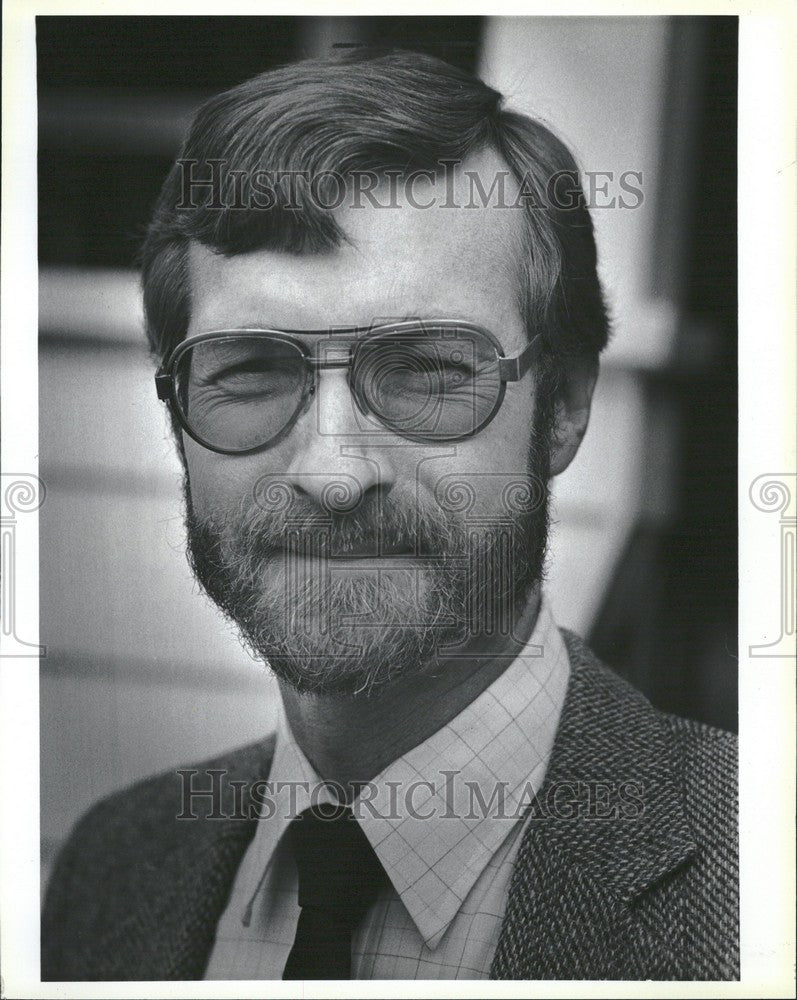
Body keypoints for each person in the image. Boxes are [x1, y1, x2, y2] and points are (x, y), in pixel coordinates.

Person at [41, 50, 738, 981]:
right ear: (177, 419)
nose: (334, 472)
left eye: (424, 371)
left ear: (564, 405)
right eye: (251, 370)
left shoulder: (758, 878)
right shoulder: (114, 867)